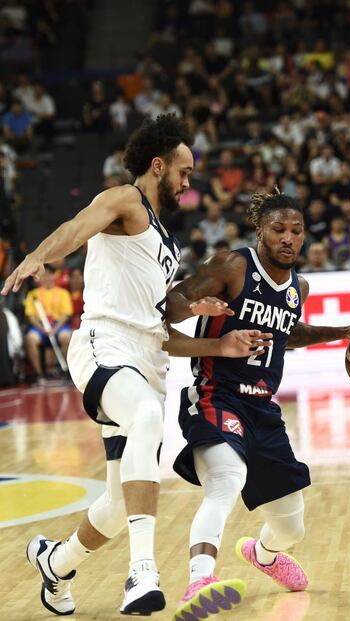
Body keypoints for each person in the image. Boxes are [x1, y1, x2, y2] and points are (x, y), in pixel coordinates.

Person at [1, 114, 269, 617]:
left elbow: (163, 331)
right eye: (184, 172)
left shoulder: (166, 242)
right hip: (106, 346)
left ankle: (54, 564)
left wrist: (218, 342)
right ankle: (141, 571)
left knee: (119, 503)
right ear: (158, 165)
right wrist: (41, 255)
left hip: (147, 361)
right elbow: (75, 228)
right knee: (146, 416)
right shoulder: (125, 200)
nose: (189, 183)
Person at [166, 189, 350, 620]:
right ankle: (199, 582)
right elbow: (172, 307)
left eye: (296, 231)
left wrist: (346, 330)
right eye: (279, 230)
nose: (288, 239)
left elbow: (292, 332)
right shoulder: (232, 266)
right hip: (217, 394)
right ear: (260, 232)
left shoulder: (297, 287)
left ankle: (263, 554)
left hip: (263, 410)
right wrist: (199, 303)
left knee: (292, 525)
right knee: (226, 479)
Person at [24, 265, 73, 382]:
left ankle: (67, 372)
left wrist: (54, 329)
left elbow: (66, 315)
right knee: (30, 338)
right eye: (44, 275)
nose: (47, 278)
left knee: (66, 336)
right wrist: (42, 329)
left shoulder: (63, 293)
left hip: (58, 326)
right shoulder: (33, 294)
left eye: (49, 275)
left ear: (54, 276)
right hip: (40, 327)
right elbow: (31, 316)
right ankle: (40, 374)